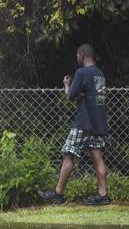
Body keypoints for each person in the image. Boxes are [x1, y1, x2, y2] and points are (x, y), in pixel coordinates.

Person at [38, 43, 110, 206]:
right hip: (98, 121)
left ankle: (58, 194)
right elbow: (93, 95)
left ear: (83, 55)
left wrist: (67, 85)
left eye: (78, 56)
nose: (77, 59)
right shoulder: (100, 74)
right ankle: (103, 194)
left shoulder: (82, 72)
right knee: (97, 157)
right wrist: (81, 94)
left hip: (83, 122)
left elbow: (70, 96)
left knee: (68, 154)